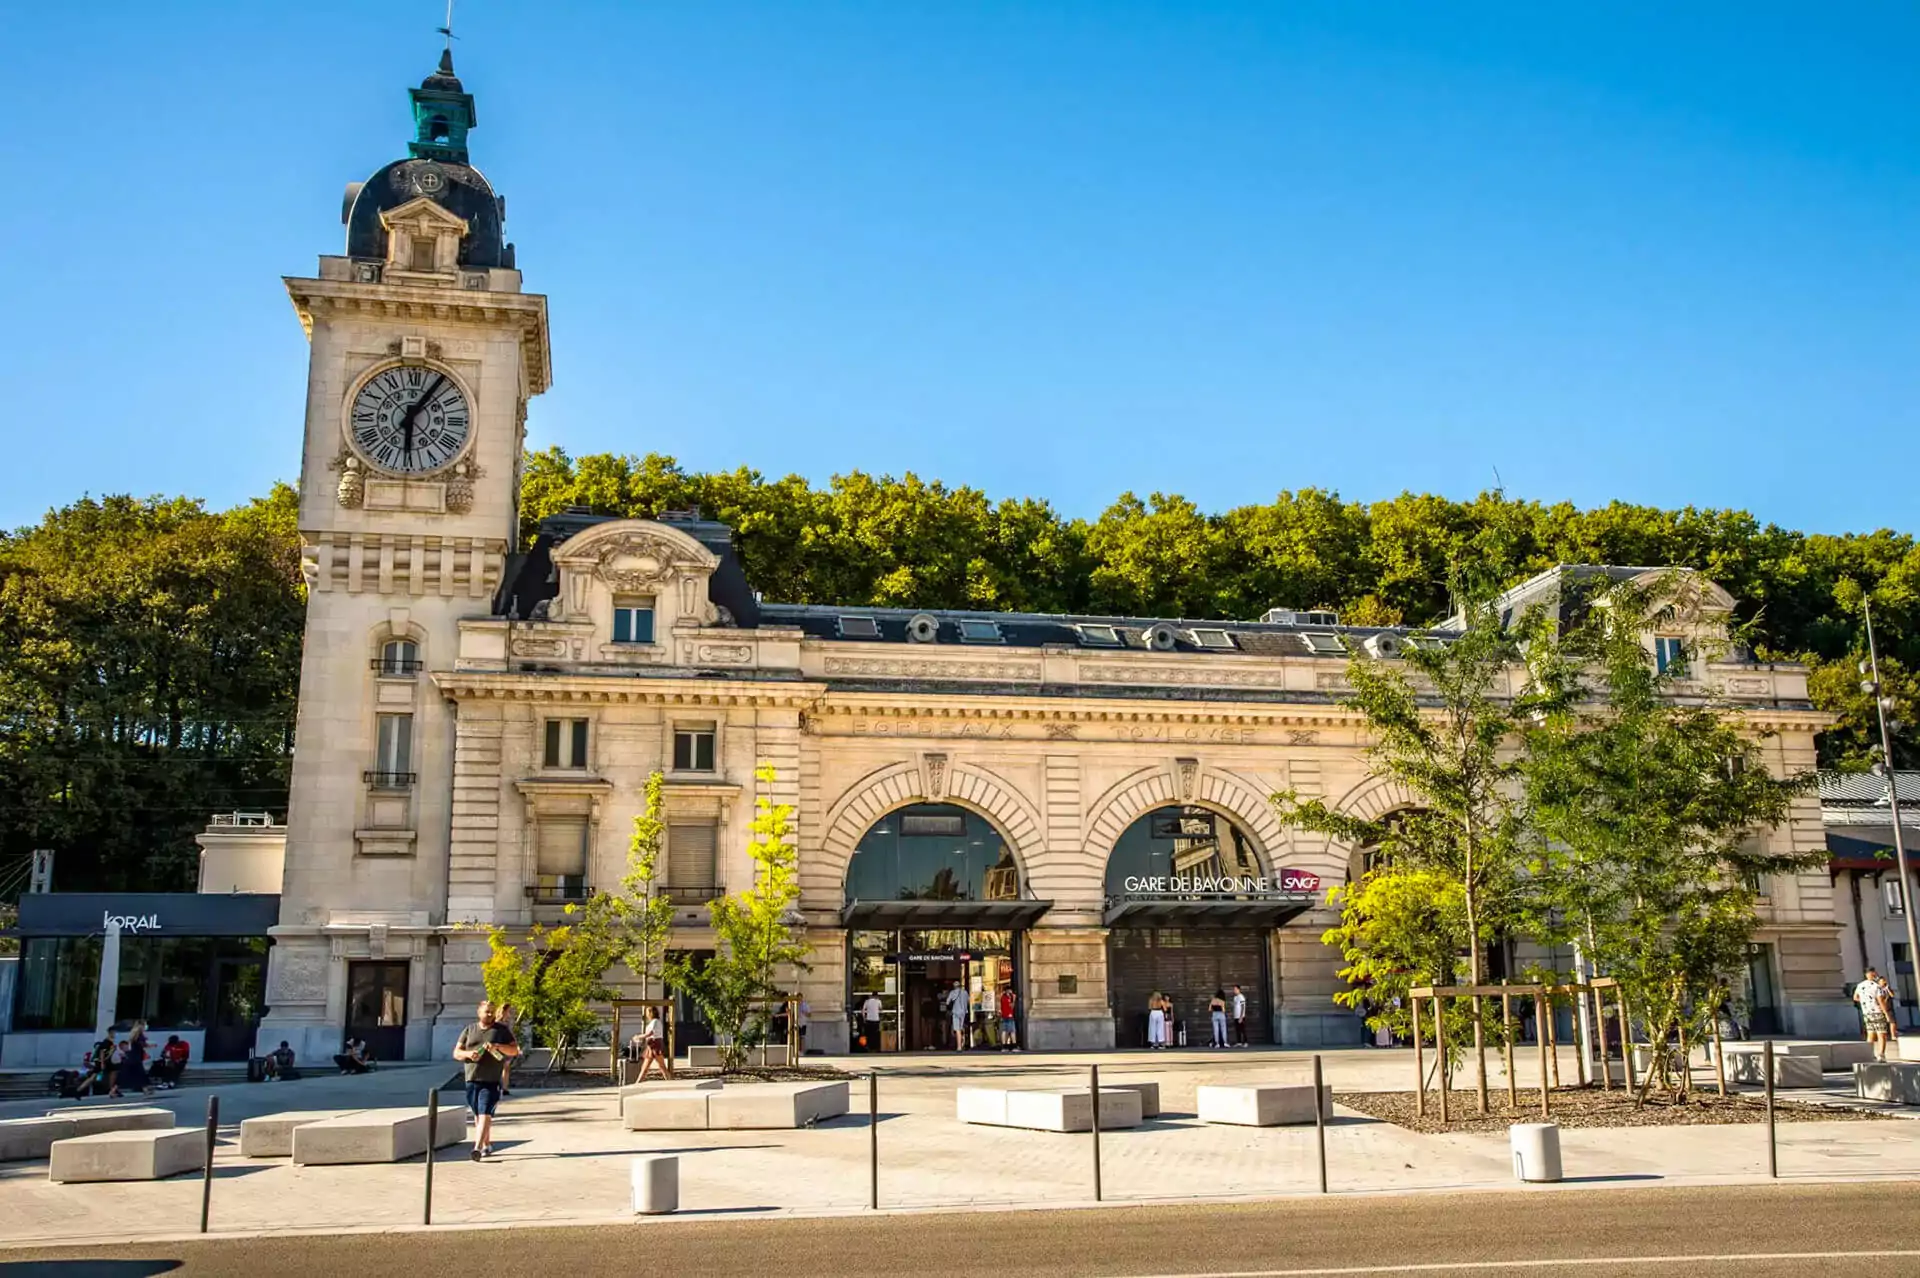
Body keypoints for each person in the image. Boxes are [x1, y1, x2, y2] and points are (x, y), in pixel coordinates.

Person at [454, 1000, 520, 1161]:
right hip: (472, 1078)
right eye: (486, 1011)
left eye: (491, 1011)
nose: (489, 1014)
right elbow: (456, 1052)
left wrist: (498, 1047)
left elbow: (514, 1050)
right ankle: (486, 1144)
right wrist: (469, 1054)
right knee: (478, 1114)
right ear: (479, 1013)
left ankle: (476, 1148)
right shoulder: (469, 1030)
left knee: (485, 1113)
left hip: (491, 1080)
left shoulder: (501, 1031)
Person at [1856, 966, 1899, 1061]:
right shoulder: (1876, 986)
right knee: (1881, 1034)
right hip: (1877, 1011)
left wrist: (1865, 1002)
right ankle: (1881, 1055)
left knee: (1870, 1033)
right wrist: (1886, 1014)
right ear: (1873, 974)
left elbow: (1855, 997)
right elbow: (1880, 1001)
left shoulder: (1860, 985)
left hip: (1867, 1012)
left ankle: (1868, 1054)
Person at [636, 1007, 672, 1082]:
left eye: (647, 1012)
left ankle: (670, 1082)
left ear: (651, 1013)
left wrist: (639, 1036)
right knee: (644, 1068)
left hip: (655, 1045)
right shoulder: (652, 1022)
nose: (646, 1014)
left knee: (662, 1067)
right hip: (651, 1046)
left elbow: (650, 1033)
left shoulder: (656, 1021)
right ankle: (637, 1084)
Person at [945, 980, 970, 1052]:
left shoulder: (952, 992)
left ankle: (959, 1046)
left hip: (956, 1012)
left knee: (957, 1029)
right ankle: (964, 1043)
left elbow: (947, 1002)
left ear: (954, 987)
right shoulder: (965, 992)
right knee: (962, 1028)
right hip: (964, 1013)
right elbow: (968, 1001)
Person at [997, 985, 1018, 1052]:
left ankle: (1004, 1047)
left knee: (1004, 1031)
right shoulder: (1008, 998)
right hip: (1009, 1016)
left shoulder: (1001, 997)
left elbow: (999, 1006)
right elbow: (1011, 1007)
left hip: (1003, 1016)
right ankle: (1014, 1046)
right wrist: (1014, 1000)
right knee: (1012, 1031)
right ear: (1008, 990)